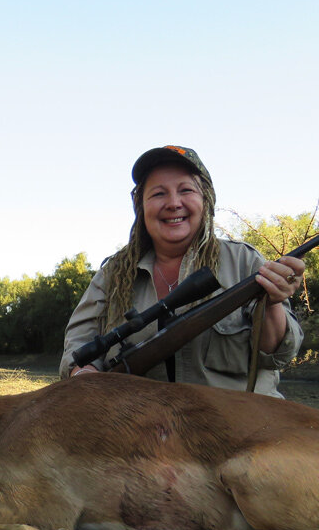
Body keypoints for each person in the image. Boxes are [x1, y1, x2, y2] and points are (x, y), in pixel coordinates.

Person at [59, 145, 304, 397]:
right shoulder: (113, 274)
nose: (174, 203)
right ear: (141, 206)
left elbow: (275, 356)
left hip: (239, 426)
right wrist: (83, 375)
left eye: (186, 190)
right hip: (141, 425)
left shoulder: (244, 260)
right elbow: (78, 346)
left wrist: (273, 303)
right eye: (158, 194)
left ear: (205, 200)